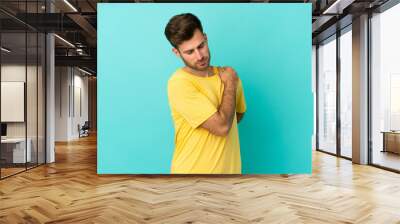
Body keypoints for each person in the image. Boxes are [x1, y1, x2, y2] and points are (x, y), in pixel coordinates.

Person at [164, 13, 247, 174]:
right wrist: (229, 85)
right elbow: (223, 127)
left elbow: (238, 116)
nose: (200, 56)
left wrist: (222, 115)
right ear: (176, 52)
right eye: (190, 52)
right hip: (190, 178)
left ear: (206, 38)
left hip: (230, 178)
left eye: (201, 46)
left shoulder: (228, 74)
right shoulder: (179, 83)